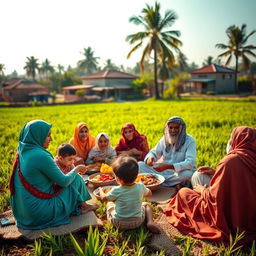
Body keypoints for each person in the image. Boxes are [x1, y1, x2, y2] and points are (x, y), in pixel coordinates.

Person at [160, 126, 256, 245]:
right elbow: (243, 183)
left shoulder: (230, 161)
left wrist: (203, 191)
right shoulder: (251, 158)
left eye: (231, 138)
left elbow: (216, 199)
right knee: (199, 175)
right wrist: (217, 172)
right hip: (250, 214)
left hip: (229, 216)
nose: (230, 141)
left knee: (184, 193)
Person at [9, 120, 98, 230]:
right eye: (48, 136)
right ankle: (83, 207)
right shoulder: (41, 155)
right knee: (77, 179)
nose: (51, 139)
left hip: (22, 213)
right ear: (38, 136)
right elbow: (64, 181)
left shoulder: (22, 150)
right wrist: (77, 169)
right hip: (38, 213)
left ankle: (80, 205)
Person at [99, 156, 161, 234]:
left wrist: (101, 190)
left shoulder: (116, 190)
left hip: (118, 223)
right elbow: (149, 194)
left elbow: (104, 198)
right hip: (137, 222)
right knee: (146, 205)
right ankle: (150, 222)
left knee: (109, 203)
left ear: (118, 179)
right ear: (136, 176)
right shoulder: (140, 186)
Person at [138, 116, 196, 187]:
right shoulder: (165, 139)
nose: (173, 130)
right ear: (167, 128)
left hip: (178, 172)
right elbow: (154, 152)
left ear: (181, 128)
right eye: (170, 127)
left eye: (176, 128)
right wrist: (150, 158)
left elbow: (190, 163)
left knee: (187, 174)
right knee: (140, 165)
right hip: (163, 171)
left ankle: (160, 181)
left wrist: (169, 166)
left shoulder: (189, 141)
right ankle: (166, 182)